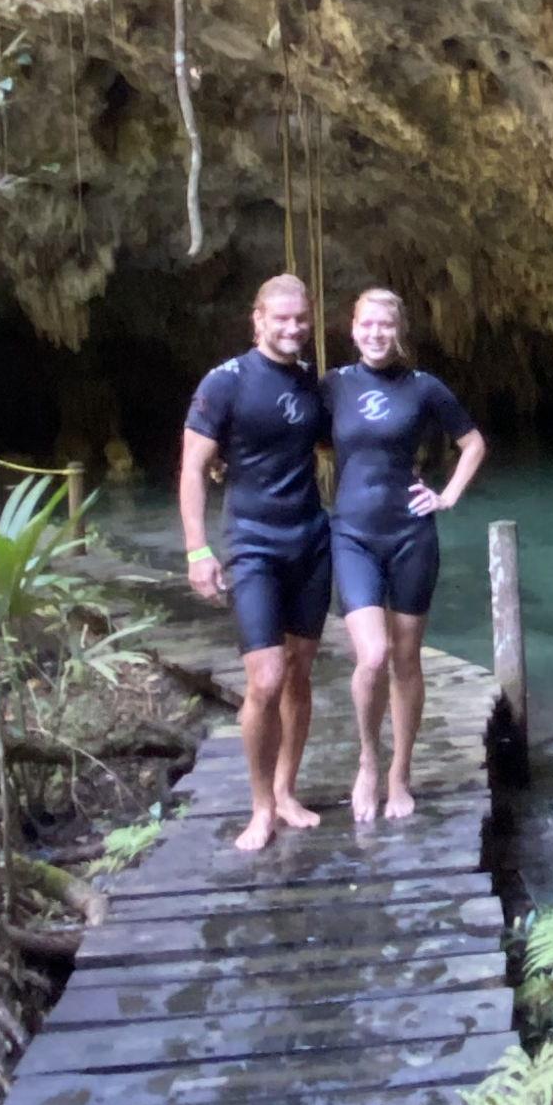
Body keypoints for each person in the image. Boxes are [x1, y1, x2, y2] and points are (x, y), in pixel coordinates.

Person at [179, 274, 335, 851]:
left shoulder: (310, 383)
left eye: (301, 319)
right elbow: (192, 469)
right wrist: (198, 549)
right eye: (282, 318)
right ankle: (261, 804)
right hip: (253, 544)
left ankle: (287, 790)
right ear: (258, 320)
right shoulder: (226, 382)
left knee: (299, 671)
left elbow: (339, 442)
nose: (292, 328)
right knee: (265, 678)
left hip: (310, 540)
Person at [326, 287, 486, 825]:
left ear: (399, 331)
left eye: (385, 325)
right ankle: (368, 762)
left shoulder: (423, 387)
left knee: (406, 658)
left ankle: (401, 771)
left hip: (411, 533)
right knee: (372, 655)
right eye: (367, 324)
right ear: (353, 328)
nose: (376, 334)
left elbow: (473, 443)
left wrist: (447, 495)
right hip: (352, 534)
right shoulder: (334, 386)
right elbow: (295, 435)